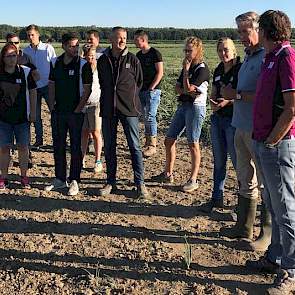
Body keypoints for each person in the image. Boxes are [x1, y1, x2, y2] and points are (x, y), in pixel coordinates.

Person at [245, 10, 295, 294]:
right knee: (274, 204)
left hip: (277, 144)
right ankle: (275, 257)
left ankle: (291, 268)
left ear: (265, 30)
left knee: (286, 207)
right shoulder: (270, 57)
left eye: (257, 28)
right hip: (264, 141)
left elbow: (291, 108)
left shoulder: (287, 57)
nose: (256, 33)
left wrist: (274, 141)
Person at [219, 12, 272, 253]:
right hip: (240, 126)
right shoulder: (249, 58)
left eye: (245, 31)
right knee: (244, 179)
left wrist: (236, 95)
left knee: (265, 184)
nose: (242, 37)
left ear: (258, 30)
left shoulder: (266, 58)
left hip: (257, 130)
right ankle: (244, 226)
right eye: (239, 32)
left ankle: (267, 233)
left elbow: (266, 98)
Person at [96, 26, 149, 199]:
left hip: (129, 109)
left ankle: (139, 183)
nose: (122, 41)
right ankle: (111, 181)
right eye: (118, 38)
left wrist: (128, 97)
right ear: (111, 39)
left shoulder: (133, 60)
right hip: (108, 109)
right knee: (110, 146)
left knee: (134, 146)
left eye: (124, 38)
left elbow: (139, 82)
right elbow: (102, 83)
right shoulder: (103, 60)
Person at [154, 37, 209, 193]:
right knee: (169, 140)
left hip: (196, 108)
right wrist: (186, 88)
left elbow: (188, 88)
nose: (187, 53)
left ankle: (193, 179)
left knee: (193, 143)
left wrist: (185, 73)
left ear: (198, 50)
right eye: (185, 50)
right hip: (184, 105)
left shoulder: (202, 69)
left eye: (189, 50)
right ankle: (168, 173)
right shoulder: (189, 66)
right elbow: (178, 88)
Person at [45, 32, 93, 196]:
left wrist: (78, 109)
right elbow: (51, 85)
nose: (75, 48)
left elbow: (87, 90)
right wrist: (51, 106)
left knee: (75, 147)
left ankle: (74, 180)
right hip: (58, 112)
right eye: (72, 45)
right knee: (58, 146)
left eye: (76, 45)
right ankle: (59, 179)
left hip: (75, 113)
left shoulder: (83, 64)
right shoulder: (55, 63)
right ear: (64, 46)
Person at [200, 38, 240, 212]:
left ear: (234, 50)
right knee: (219, 162)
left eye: (226, 50)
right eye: (220, 50)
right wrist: (214, 103)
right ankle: (217, 198)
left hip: (234, 121)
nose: (223, 53)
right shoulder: (218, 69)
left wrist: (228, 101)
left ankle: (243, 204)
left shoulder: (241, 69)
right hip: (218, 118)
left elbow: (242, 94)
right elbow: (215, 91)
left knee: (240, 164)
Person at [0, 43, 37, 189]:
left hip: (22, 118)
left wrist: (33, 112)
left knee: (23, 147)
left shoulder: (25, 72)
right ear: (3, 58)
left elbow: (33, 92)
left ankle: (24, 176)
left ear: (17, 56)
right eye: (8, 56)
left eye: (13, 55)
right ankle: (3, 177)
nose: (11, 59)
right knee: (4, 148)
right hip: (3, 119)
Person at [23, 24, 56, 149]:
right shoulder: (26, 51)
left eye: (32, 34)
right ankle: (39, 140)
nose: (30, 37)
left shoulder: (48, 48)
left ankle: (55, 139)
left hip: (48, 86)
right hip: (33, 88)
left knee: (54, 113)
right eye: (28, 35)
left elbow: (54, 66)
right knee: (35, 115)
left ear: (38, 35)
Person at [134, 29, 164, 157]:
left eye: (136, 39)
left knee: (150, 116)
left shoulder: (155, 53)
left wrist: (152, 87)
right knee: (144, 116)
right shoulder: (138, 55)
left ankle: (152, 145)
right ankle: (147, 143)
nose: (134, 42)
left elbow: (160, 72)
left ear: (143, 40)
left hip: (153, 91)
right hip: (141, 90)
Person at [81, 45, 103, 173]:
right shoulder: (83, 68)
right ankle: (82, 158)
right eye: (89, 56)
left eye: (93, 56)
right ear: (84, 56)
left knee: (95, 132)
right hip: (84, 103)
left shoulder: (100, 67)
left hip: (96, 102)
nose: (91, 58)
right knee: (84, 132)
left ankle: (98, 160)